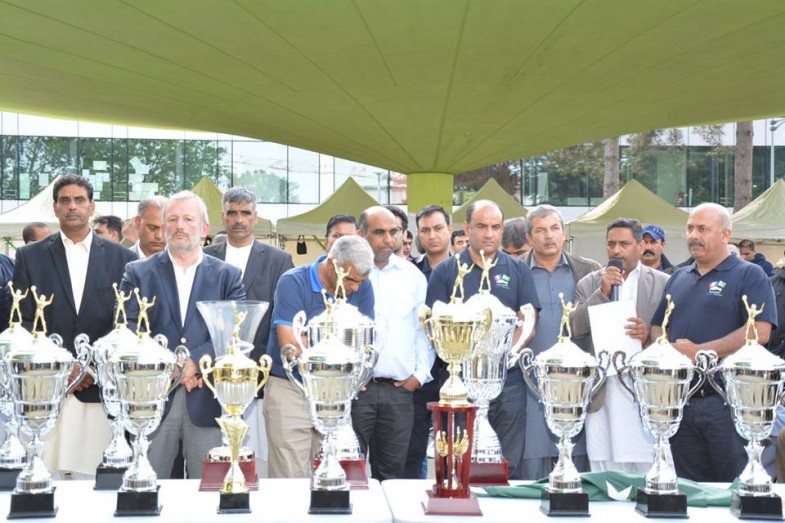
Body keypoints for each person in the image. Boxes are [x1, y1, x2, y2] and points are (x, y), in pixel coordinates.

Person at [12, 174, 137, 478]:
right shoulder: (30, 256)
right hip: (49, 387)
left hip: (100, 389)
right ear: (54, 208)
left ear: (91, 206)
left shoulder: (123, 258)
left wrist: (90, 366)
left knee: (97, 480)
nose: (72, 207)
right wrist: (63, 365)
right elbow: (23, 321)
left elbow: (126, 322)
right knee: (47, 476)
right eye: (64, 200)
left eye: (79, 200)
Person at [120, 191, 245, 479]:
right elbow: (127, 326)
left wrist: (195, 362)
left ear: (204, 229)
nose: (179, 226)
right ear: (163, 228)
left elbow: (232, 331)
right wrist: (174, 365)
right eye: (172, 219)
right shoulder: (137, 273)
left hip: (207, 396)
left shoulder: (229, 276)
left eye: (188, 219)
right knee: (148, 484)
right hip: (153, 397)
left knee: (210, 488)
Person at [650, 203, 776, 482]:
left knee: (735, 490)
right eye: (690, 228)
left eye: (703, 229)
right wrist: (663, 348)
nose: (694, 235)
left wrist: (700, 352)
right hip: (681, 403)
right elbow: (659, 324)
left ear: (725, 234)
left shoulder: (749, 274)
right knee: (690, 492)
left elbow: (761, 330)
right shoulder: (679, 277)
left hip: (728, 404)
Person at [427, 200, 540, 479]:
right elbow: (434, 326)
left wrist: (500, 358)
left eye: (495, 227)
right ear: (466, 228)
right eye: (481, 226)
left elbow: (526, 322)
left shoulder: (518, 270)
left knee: (505, 462)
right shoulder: (446, 270)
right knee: (456, 460)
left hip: (508, 382)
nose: (489, 234)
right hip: (458, 384)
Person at [263, 235, 374, 478]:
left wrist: (311, 343)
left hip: (337, 393)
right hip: (291, 389)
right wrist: (338, 355)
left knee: (335, 474)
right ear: (333, 265)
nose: (356, 288)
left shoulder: (363, 285)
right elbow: (290, 345)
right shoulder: (293, 282)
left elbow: (362, 345)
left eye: (361, 282)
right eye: (352, 280)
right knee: (289, 479)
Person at [203, 187, 293, 474]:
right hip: (211, 370)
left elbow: (281, 316)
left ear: (256, 218)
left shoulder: (278, 260)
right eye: (232, 213)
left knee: (259, 455)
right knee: (216, 451)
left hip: (258, 373)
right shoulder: (204, 256)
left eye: (245, 213)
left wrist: (262, 369)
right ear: (222, 217)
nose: (238, 219)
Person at [571, 218, 669, 472]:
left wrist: (648, 333)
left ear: (640, 245)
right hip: (603, 391)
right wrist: (602, 292)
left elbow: (673, 333)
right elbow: (574, 328)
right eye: (611, 244)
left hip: (643, 391)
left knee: (647, 464)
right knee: (605, 465)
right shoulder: (589, 283)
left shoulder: (662, 282)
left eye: (624, 244)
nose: (616, 250)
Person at [520, 205, 600, 479]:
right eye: (540, 230)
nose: (548, 236)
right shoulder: (517, 272)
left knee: (575, 462)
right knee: (530, 462)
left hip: (575, 385)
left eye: (554, 228)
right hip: (527, 384)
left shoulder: (589, 271)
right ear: (529, 238)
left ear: (564, 233)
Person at [354, 206, 431, 480]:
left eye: (394, 232)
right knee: (348, 470)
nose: (388, 238)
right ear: (361, 235)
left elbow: (422, 331)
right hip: (355, 391)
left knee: (392, 476)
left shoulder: (413, 277)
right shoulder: (348, 273)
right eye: (379, 232)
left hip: (399, 391)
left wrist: (419, 376)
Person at [405, 205, 453, 478]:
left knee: (453, 449)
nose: (432, 235)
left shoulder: (466, 271)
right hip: (417, 376)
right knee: (412, 451)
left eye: (438, 228)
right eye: (425, 230)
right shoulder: (408, 273)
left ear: (450, 229)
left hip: (454, 375)